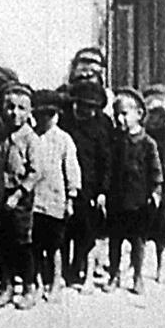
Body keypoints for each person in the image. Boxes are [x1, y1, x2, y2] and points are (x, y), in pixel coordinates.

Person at [102, 88, 162, 296]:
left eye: (124, 114)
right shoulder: (116, 141)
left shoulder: (147, 143)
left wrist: (156, 191)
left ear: (139, 114)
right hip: (117, 200)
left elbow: (155, 171)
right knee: (115, 240)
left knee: (138, 241)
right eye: (116, 114)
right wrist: (104, 192)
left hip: (138, 202)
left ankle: (137, 276)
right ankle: (114, 274)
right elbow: (108, 168)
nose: (120, 119)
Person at [0, 82, 43, 310]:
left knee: (22, 243)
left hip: (21, 198)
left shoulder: (30, 138)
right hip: (1, 196)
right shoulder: (1, 136)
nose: (15, 113)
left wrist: (19, 193)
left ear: (30, 111)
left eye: (21, 108)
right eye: (10, 107)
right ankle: (7, 284)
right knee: (3, 242)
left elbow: (36, 171)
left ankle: (29, 287)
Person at [60, 81, 111, 294]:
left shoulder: (101, 127)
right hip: (67, 184)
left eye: (93, 107)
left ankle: (85, 271)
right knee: (65, 231)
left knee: (87, 232)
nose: (88, 111)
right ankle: (65, 271)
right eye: (84, 106)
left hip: (90, 188)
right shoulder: (67, 123)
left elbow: (106, 162)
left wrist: (103, 191)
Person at [31, 90, 81, 304]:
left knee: (54, 247)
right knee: (35, 246)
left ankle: (55, 282)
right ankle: (37, 283)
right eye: (40, 115)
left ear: (58, 115)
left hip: (55, 201)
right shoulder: (33, 137)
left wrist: (71, 197)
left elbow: (72, 170)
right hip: (35, 202)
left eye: (50, 115)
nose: (45, 119)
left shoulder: (64, 140)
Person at [143, 84, 165, 283]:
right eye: (153, 114)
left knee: (163, 225)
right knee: (141, 223)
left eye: (161, 114)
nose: (157, 119)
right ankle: (136, 263)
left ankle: (162, 264)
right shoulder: (143, 135)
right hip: (144, 184)